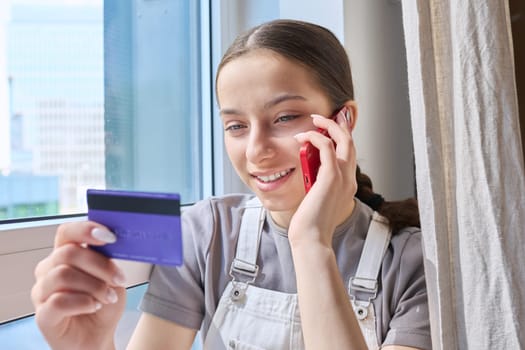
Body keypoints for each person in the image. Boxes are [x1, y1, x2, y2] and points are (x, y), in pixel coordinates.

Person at [31, 19, 430, 350]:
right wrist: (89, 345)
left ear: (342, 121)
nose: (256, 151)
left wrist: (310, 241)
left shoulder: (414, 264)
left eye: (285, 117)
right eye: (236, 126)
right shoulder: (208, 234)